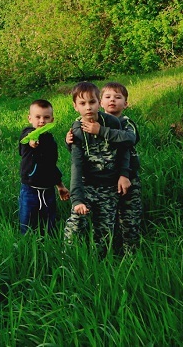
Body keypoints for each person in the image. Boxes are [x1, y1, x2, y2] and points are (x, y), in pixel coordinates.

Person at [63, 82, 136, 253]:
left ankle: (100, 261)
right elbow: (76, 166)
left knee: (104, 230)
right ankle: (67, 257)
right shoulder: (77, 131)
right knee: (76, 222)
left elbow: (124, 147)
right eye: (82, 103)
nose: (88, 107)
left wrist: (124, 174)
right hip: (87, 185)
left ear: (99, 102)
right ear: (75, 107)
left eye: (92, 102)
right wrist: (77, 199)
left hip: (110, 187)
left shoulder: (111, 122)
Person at [100, 81, 142, 254]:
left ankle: (131, 252)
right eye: (107, 97)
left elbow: (129, 139)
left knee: (130, 215)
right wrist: (69, 140)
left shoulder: (126, 123)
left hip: (129, 177)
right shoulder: (95, 122)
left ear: (125, 103)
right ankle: (106, 251)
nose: (112, 100)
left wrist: (101, 132)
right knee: (105, 218)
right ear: (100, 102)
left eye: (118, 97)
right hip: (105, 178)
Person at [19, 99, 70, 235]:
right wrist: (31, 140)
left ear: (52, 120)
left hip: (48, 191)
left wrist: (60, 186)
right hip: (30, 190)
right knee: (27, 221)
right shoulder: (28, 133)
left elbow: (51, 165)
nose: (42, 121)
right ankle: (27, 243)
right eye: (38, 117)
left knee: (50, 221)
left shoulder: (51, 142)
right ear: (30, 118)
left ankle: (50, 241)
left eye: (46, 117)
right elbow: (26, 137)